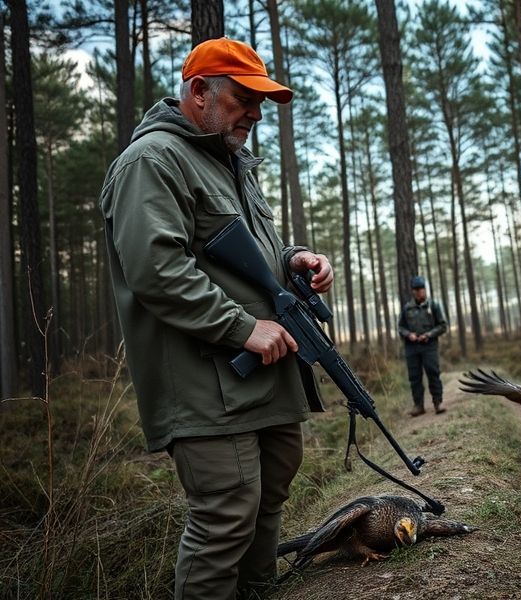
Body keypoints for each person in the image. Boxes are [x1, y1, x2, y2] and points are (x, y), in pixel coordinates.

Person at [99, 37, 332, 599]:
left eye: (260, 103)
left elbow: (240, 256)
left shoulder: (231, 162)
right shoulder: (152, 160)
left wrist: (293, 258)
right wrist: (242, 328)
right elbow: (156, 270)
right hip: (204, 382)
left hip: (264, 372)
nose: (255, 114)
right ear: (200, 91)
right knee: (226, 514)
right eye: (243, 99)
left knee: (269, 496)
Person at [397, 276, 448, 417]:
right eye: (416, 290)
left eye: (421, 289)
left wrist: (429, 334)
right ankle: (418, 405)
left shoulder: (433, 306)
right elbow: (400, 327)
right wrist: (409, 335)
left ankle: (438, 402)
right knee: (414, 377)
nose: (419, 292)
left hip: (429, 346)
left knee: (433, 373)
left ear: (425, 290)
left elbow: (443, 326)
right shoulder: (407, 308)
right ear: (413, 291)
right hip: (412, 348)